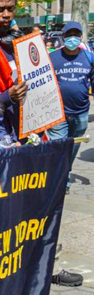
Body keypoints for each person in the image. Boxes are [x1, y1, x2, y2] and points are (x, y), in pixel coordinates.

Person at [46, 21, 94, 189]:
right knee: (59, 147)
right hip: (58, 112)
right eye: (69, 35)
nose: (73, 38)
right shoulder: (52, 58)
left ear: (80, 37)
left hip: (81, 112)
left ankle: (65, 172)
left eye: (76, 35)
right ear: (63, 37)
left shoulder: (89, 57)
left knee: (73, 147)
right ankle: (60, 181)